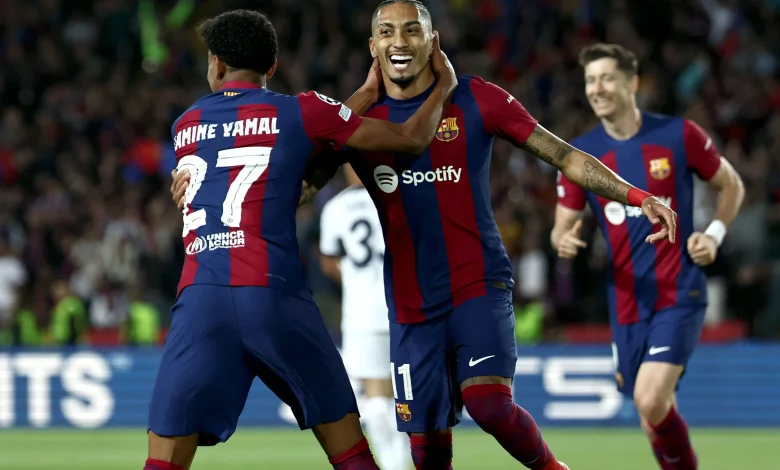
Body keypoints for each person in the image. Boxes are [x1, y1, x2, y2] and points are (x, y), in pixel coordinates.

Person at [171, 3, 676, 469]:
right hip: (411, 304)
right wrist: (199, 183)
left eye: (412, 30)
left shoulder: (478, 97)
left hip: (477, 283)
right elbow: (291, 186)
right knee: (427, 450)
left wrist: (637, 196)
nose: (400, 40)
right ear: (373, 46)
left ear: (432, 40)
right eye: (387, 32)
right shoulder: (357, 124)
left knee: (489, 404)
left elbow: (564, 155)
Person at [146, 9, 457, 470]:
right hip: (273, 295)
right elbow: (408, 138)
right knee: (350, 452)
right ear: (272, 67)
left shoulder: (185, 126)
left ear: (216, 63)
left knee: (163, 461)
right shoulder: (300, 110)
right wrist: (445, 85)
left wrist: (364, 94)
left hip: (200, 300)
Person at [552, 43, 745, 470]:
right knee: (651, 415)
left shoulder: (679, 135)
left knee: (649, 398)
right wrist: (562, 239)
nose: (597, 88)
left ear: (632, 83)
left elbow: (731, 184)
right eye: (590, 80)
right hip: (626, 304)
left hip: (679, 292)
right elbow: (560, 226)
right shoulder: (581, 155)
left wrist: (713, 235)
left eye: (606, 78)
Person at [319, 164, 411, 470]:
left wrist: (354, 280)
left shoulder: (336, 207)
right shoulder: (400, 197)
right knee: (407, 391)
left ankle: (394, 465)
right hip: (405, 306)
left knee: (376, 393)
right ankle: (403, 461)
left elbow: (329, 261)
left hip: (362, 311)